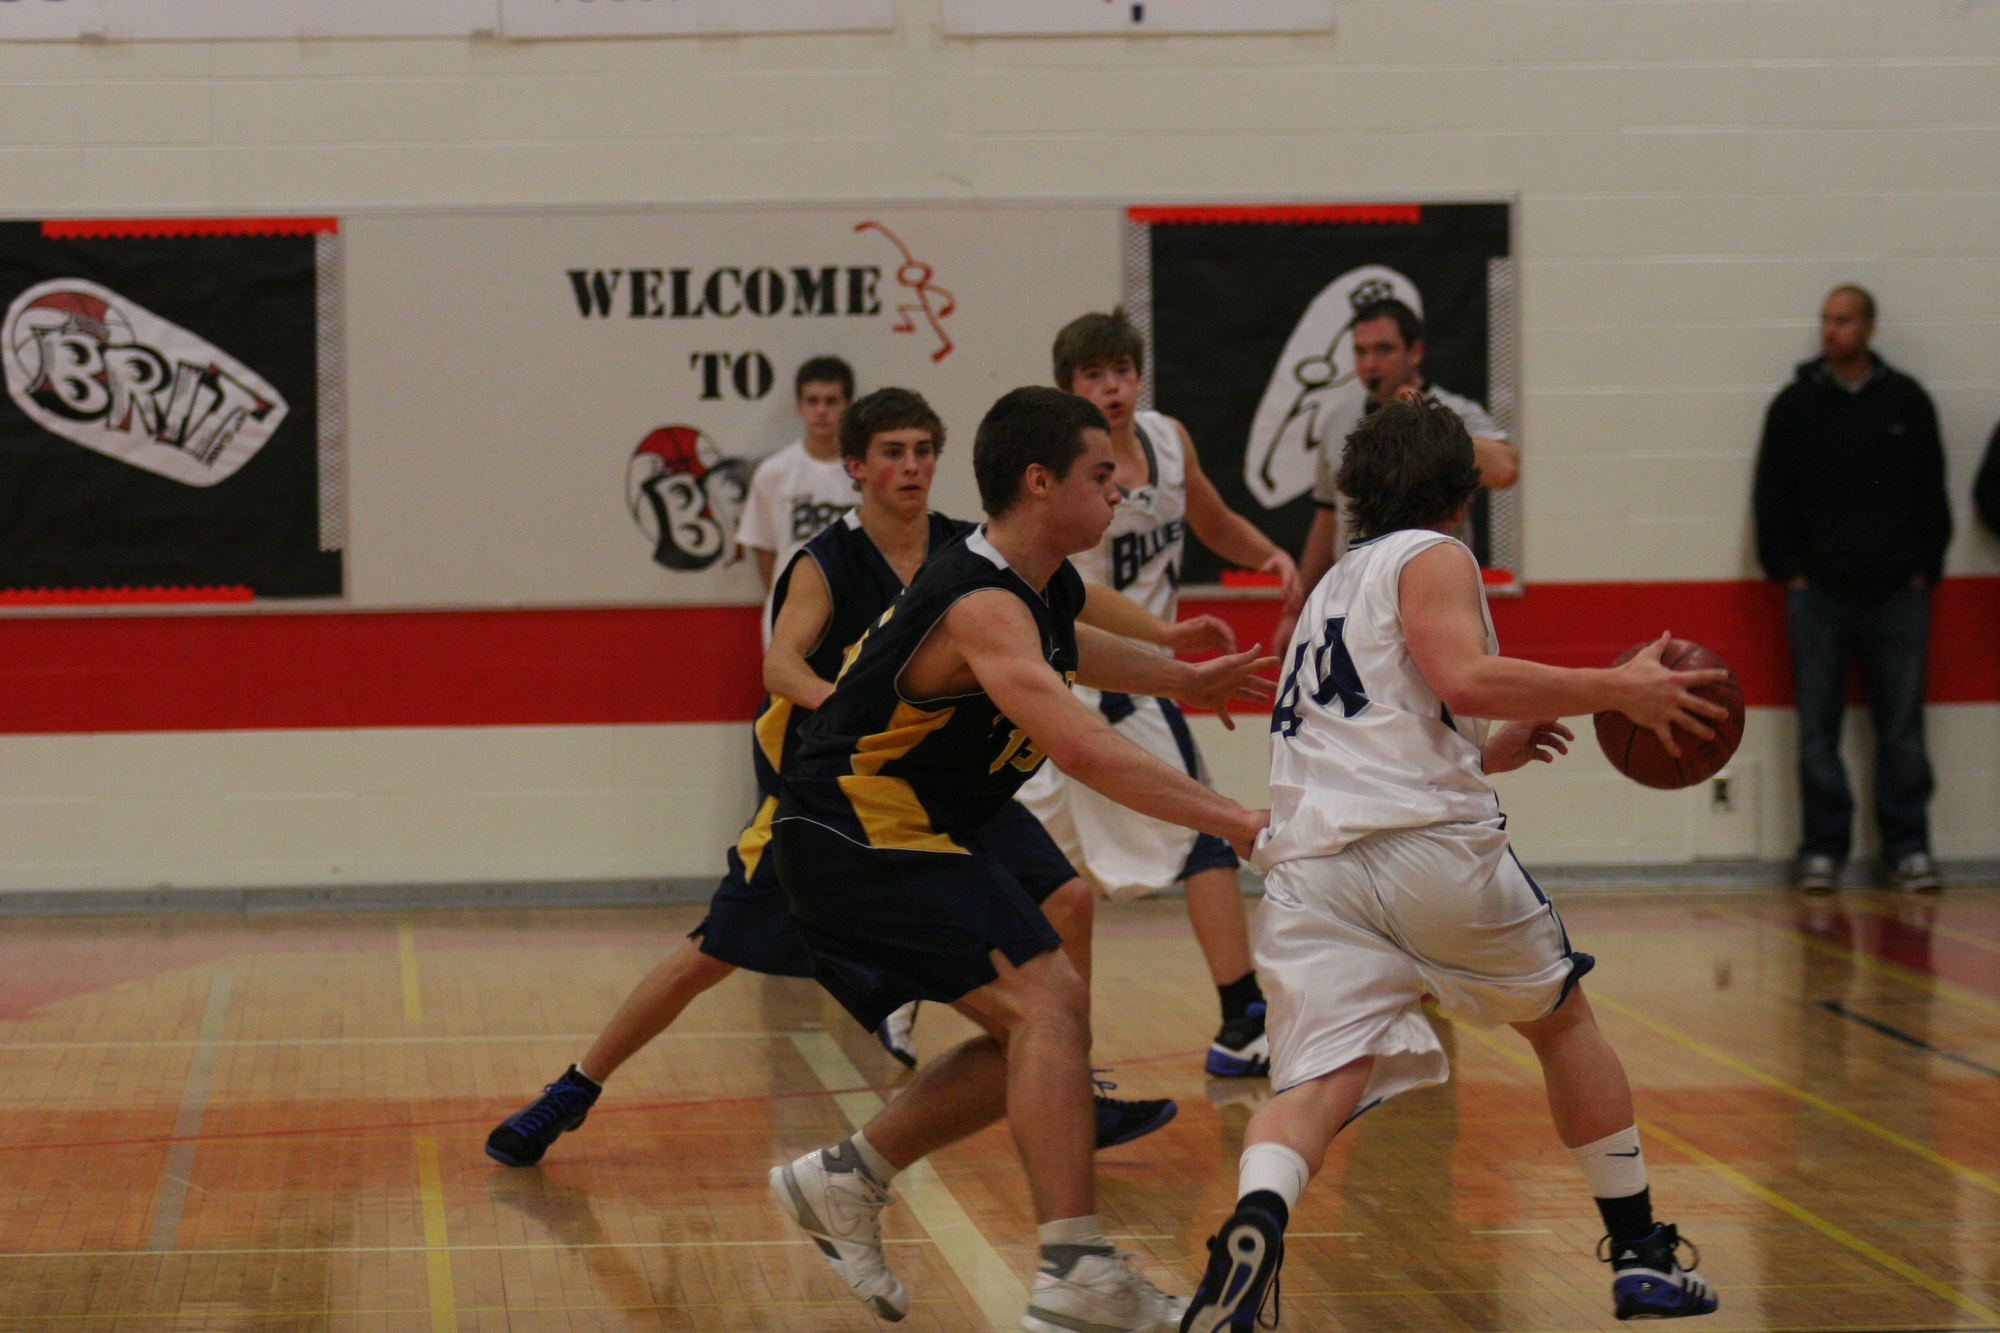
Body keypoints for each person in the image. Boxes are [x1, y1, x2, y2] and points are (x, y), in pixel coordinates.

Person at [484, 388, 1191, 1168]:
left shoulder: (970, 547)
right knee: (709, 953)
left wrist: (1166, 635)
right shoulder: (826, 561)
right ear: (855, 466)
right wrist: (854, 704)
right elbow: (780, 666)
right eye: (893, 452)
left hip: (943, 780)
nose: (912, 466)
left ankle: (1066, 1082)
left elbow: (1075, 604)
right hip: (835, 790)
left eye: (923, 450)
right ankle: (576, 1085)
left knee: (1070, 898)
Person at [1180, 396, 1724, 1332]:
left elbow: (1383, 724)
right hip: (1422, 852)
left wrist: (1482, 749)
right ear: (1462, 493)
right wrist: (1619, 687)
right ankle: (1642, 1257)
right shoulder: (1434, 555)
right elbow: (1465, 676)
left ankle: (1256, 1220)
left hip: (1310, 870)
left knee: (1314, 1087)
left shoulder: (1331, 588)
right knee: (1561, 1021)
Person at [768, 387, 1275, 1332]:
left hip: (914, 821)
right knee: (1049, 1006)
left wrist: (1181, 676)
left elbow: (1070, 647)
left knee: (1041, 1023)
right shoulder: (981, 600)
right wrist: (1234, 818)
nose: (1118, 491)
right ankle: (1075, 1270)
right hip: (854, 829)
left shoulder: (1035, 582)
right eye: (1100, 476)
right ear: (1040, 482)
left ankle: (846, 1176)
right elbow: (1080, 746)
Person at [1018, 308, 1300, 1079]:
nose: (1111, 386)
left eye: (1121, 370)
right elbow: (1067, 589)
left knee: (1193, 836)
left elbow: (1211, 516)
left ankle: (1236, 1017)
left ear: (1139, 375)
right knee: (1047, 870)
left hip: (1140, 683)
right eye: (1093, 375)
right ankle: (939, 995)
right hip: (1076, 677)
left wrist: (1269, 555)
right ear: (1068, 387)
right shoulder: (1061, 467)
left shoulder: (1169, 441)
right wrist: (1162, 635)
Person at [1753, 285, 1950, 895]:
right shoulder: (1794, 406)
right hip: (1818, 596)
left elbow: (1932, 490)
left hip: (1897, 594)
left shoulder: (1907, 401)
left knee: (1902, 730)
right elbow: (1770, 496)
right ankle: (1822, 850)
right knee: (1818, 731)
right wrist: (1789, 570)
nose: (1830, 330)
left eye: (1843, 320)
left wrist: (1924, 568)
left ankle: (1908, 848)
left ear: (1869, 327)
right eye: (1825, 320)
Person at [1282, 298, 1520, 648]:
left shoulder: (1455, 411)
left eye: (1383, 350)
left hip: (1435, 593)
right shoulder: (1339, 421)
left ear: (1415, 351)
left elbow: (1505, 470)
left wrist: (1430, 422)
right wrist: (1296, 612)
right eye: (1360, 352)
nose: (1370, 364)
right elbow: (1327, 520)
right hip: (1356, 602)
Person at [736, 356, 859, 595]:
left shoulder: (869, 473)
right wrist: (783, 604)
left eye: (831, 401)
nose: (821, 411)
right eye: (812, 401)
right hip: (790, 609)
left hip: (858, 608)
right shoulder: (773, 472)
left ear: (849, 406)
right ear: (799, 406)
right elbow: (764, 550)